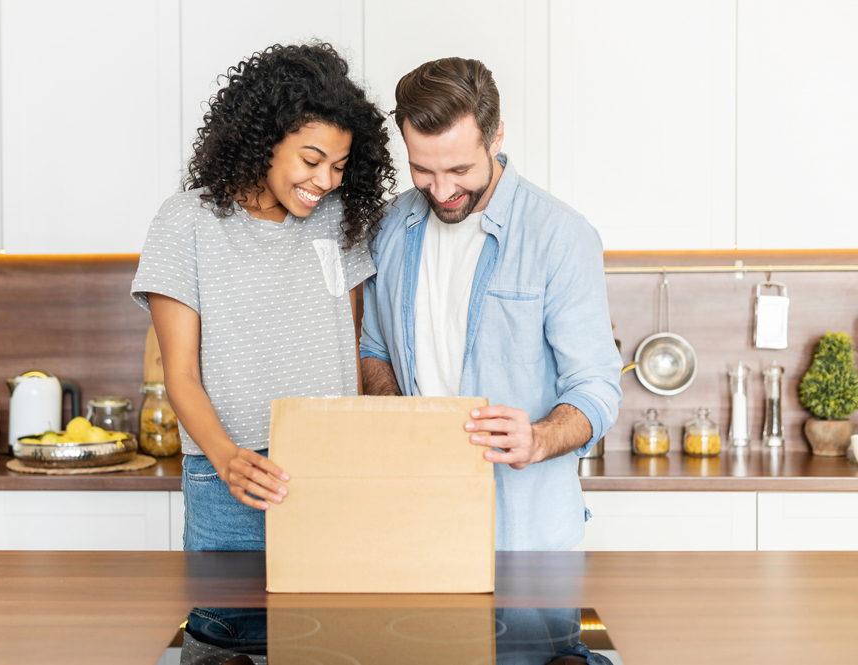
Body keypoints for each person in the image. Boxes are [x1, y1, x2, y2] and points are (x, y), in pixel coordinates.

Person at [131, 43, 395, 551]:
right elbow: (180, 374)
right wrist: (228, 459)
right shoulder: (186, 222)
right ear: (265, 139)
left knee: (334, 629)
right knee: (228, 630)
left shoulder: (339, 218)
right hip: (229, 478)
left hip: (333, 473)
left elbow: (351, 347)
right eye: (312, 159)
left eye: (339, 165)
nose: (326, 181)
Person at [360, 57, 622, 551]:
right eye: (422, 169)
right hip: (413, 525)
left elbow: (597, 385)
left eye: (459, 169)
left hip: (527, 537)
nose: (441, 190)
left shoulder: (560, 236)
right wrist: (396, 419)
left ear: (496, 137)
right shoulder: (389, 228)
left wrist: (539, 438)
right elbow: (373, 348)